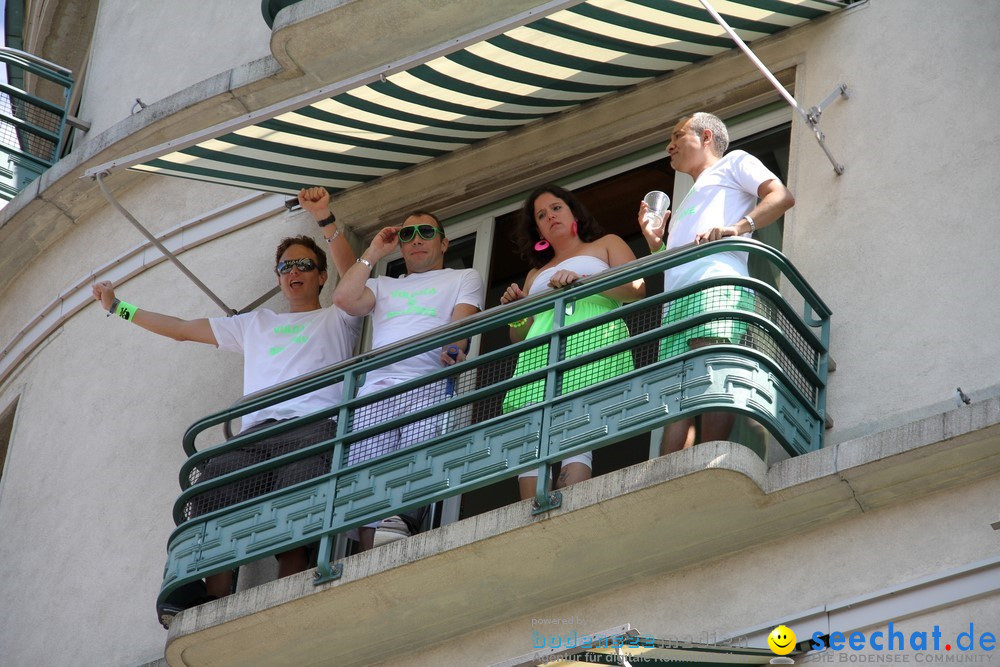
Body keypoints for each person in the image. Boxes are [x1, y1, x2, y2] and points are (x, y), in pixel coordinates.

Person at [93, 187, 361, 627]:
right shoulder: (255, 323)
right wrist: (117, 308)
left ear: (321, 277)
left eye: (304, 265)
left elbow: (355, 275)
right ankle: (208, 602)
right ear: (277, 277)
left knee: (298, 509)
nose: (293, 271)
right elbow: (181, 329)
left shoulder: (339, 315)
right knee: (214, 494)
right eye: (285, 266)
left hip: (313, 425)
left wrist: (325, 220)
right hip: (254, 432)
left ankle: (287, 595)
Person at [637, 111, 795, 456]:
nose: (669, 146)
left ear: (706, 136)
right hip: (677, 300)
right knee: (678, 392)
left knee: (714, 373)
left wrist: (739, 227)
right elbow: (676, 261)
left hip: (714, 284)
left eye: (677, 136)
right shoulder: (687, 201)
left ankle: (710, 455)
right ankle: (668, 472)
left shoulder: (733, 162)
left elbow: (781, 196)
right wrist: (656, 244)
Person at [332, 210, 484, 550]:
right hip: (376, 393)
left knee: (414, 470)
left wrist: (454, 349)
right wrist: (373, 252)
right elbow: (343, 299)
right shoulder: (382, 284)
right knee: (368, 489)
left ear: (444, 242)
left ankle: (401, 541)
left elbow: (461, 328)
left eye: (426, 232)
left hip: (427, 382)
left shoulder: (463, 277)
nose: (416, 238)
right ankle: (369, 561)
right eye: (408, 233)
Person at [500, 184, 645, 500]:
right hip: (538, 355)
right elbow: (518, 334)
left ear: (573, 212)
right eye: (541, 215)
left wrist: (582, 283)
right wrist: (515, 311)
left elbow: (636, 287)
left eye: (556, 207)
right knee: (530, 442)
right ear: (538, 230)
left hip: (591, 341)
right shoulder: (534, 273)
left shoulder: (607, 244)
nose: (550, 216)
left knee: (576, 433)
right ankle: (531, 524)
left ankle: (566, 511)